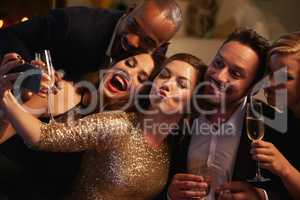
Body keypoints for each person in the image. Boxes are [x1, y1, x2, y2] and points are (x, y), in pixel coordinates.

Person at [0, 53, 207, 200]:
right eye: (164, 75)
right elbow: (42, 136)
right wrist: (6, 95)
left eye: (181, 84)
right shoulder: (118, 123)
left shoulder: (172, 149)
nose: (167, 84)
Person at [165, 28, 276, 200]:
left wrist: (263, 197)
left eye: (235, 74)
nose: (219, 76)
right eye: (218, 63)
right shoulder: (182, 107)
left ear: (253, 88)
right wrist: (169, 195)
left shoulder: (270, 124)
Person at [0, 0, 182, 81]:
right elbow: (10, 35)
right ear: (129, 11)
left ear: (161, 47)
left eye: (147, 42)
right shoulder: (73, 24)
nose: (133, 41)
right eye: (133, 25)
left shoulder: (156, 59)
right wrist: (34, 76)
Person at [251, 31, 300, 200]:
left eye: (285, 76)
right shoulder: (284, 119)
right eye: (270, 72)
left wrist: (284, 168)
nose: (270, 83)